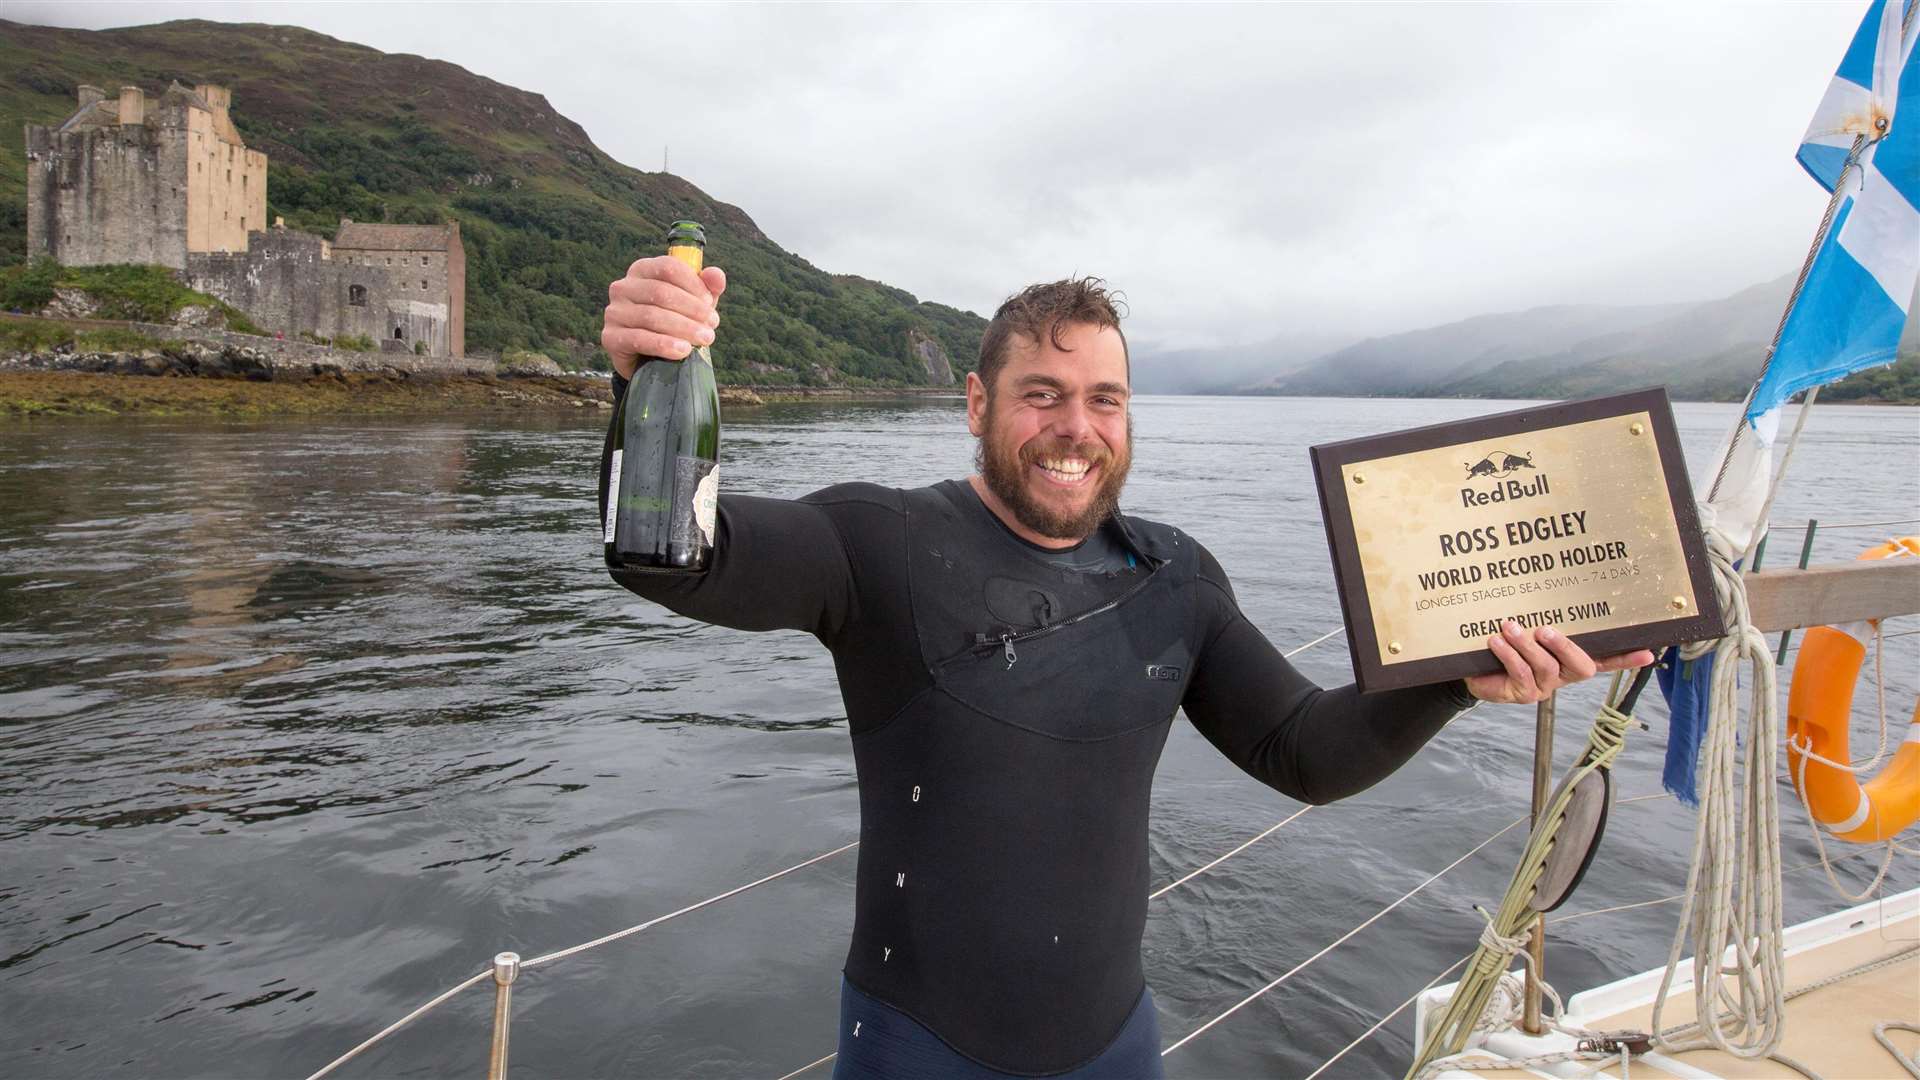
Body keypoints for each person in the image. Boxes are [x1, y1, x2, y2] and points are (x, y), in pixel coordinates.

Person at [597, 257, 1654, 1079]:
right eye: (1042, 394)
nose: (1076, 427)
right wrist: (647, 389)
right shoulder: (881, 545)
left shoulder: (1174, 576)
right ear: (977, 403)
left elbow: (1304, 754)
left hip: (1115, 1046)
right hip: (919, 1047)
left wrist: (1454, 676)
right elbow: (675, 560)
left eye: (1105, 399)